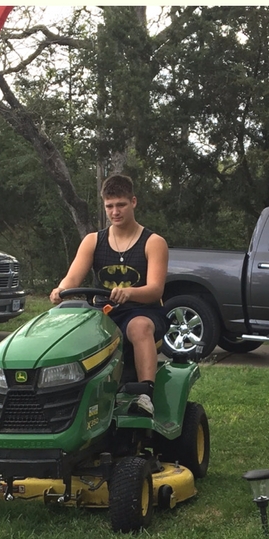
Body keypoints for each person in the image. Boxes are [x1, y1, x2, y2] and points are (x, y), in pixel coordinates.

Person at [50, 175, 168, 415]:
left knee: (139, 327)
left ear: (133, 202)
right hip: (102, 312)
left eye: (121, 205)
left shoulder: (153, 242)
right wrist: (60, 290)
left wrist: (130, 292)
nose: (115, 211)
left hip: (142, 310)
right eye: (110, 206)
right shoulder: (93, 241)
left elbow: (156, 290)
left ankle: (145, 394)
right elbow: (72, 279)